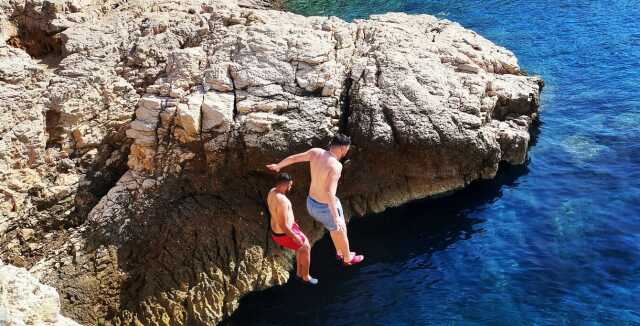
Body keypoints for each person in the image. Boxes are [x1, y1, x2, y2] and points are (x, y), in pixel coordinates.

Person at [266, 133, 364, 266]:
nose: (347, 151)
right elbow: (329, 192)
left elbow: (294, 158)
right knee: (339, 227)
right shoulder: (336, 166)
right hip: (323, 207)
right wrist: (336, 217)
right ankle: (347, 258)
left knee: (336, 224)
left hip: (311, 202)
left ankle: (340, 252)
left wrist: (279, 166)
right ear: (342, 148)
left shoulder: (316, 152)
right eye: (347, 149)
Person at [267, 173, 318, 285]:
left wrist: (293, 224)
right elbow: (283, 225)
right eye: (290, 185)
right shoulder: (282, 201)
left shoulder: (272, 192)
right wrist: (294, 236)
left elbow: (277, 214)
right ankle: (306, 277)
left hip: (280, 230)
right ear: (284, 185)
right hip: (283, 234)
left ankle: (299, 274)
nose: (291, 187)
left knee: (300, 248)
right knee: (305, 247)